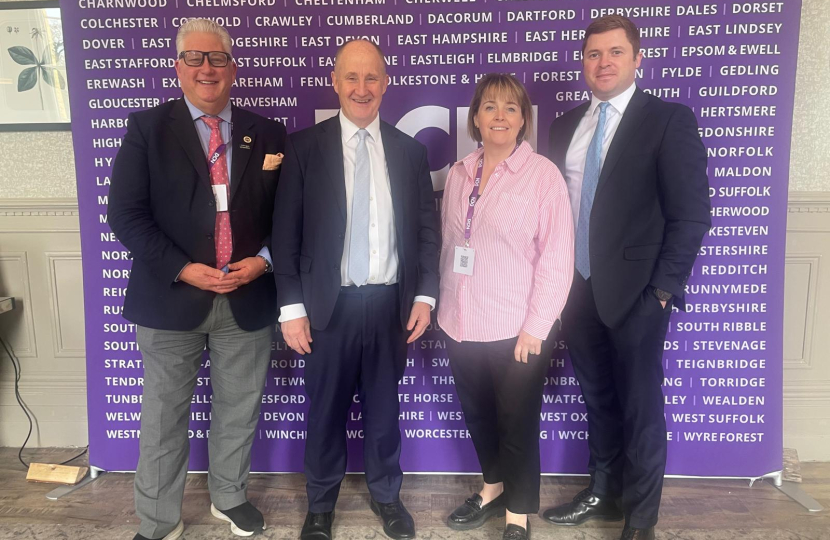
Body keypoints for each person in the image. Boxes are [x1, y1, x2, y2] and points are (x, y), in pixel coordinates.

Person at [107, 18, 287, 540]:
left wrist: (265, 261)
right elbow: (125, 214)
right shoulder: (147, 128)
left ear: (233, 67)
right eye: (195, 58)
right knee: (164, 419)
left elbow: (289, 215)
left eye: (217, 58)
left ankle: (229, 497)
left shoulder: (267, 133)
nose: (207, 68)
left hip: (246, 296)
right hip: (171, 298)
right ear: (179, 67)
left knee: (239, 409)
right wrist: (184, 268)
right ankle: (159, 520)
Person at [542, 15, 711, 540]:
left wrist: (662, 291)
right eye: (594, 54)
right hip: (575, 289)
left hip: (639, 295)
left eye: (616, 52)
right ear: (584, 62)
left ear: (638, 59)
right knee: (597, 398)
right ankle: (603, 492)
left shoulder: (667, 119)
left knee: (640, 408)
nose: (604, 62)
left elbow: (691, 214)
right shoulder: (564, 126)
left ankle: (640, 521)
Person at [271, 39, 440, 540]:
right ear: (335, 82)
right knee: (325, 414)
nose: (362, 89)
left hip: (390, 306)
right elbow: (285, 235)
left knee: (385, 414)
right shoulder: (304, 148)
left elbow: (427, 232)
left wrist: (425, 296)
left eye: (372, 78)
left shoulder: (410, 151)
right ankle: (320, 506)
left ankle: (387, 497)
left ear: (385, 84)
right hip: (327, 309)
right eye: (352, 77)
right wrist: (291, 308)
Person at [438, 74, 574, 540]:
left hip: (517, 328)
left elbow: (557, 258)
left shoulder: (543, 176)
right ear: (475, 116)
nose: (499, 116)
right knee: (478, 415)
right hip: (460, 323)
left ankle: (518, 513)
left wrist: (536, 328)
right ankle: (492, 488)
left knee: (516, 422)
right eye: (490, 106)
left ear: (523, 120)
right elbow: (452, 244)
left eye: (510, 108)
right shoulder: (459, 173)